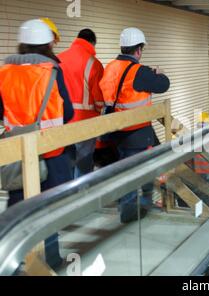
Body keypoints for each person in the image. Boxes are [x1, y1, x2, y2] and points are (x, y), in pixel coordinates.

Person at [0, 19, 74, 269]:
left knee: (18, 206)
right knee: (48, 209)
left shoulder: (4, 72)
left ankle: (12, 260)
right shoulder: (51, 71)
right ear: (47, 44)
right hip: (50, 151)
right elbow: (69, 112)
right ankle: (48, 260)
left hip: (17, 151)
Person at [99, 27, 170, 223]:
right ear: (138, 50)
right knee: (143, 169)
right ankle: (135, 209)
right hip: (136, 131)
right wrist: (159, 73)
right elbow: (164, 85)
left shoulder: (110, 67)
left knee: (124, 170)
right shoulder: (139, 72)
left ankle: (128, 206)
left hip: (115, 130)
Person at [58, 29, 104, 177]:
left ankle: (68, 197)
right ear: (92, 43)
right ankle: (82, 197)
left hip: (62, 121)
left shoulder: (59, 59)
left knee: (67, 162)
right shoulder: (93, 63)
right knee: (83, 165)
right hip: (86, 121)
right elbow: (99, 99)